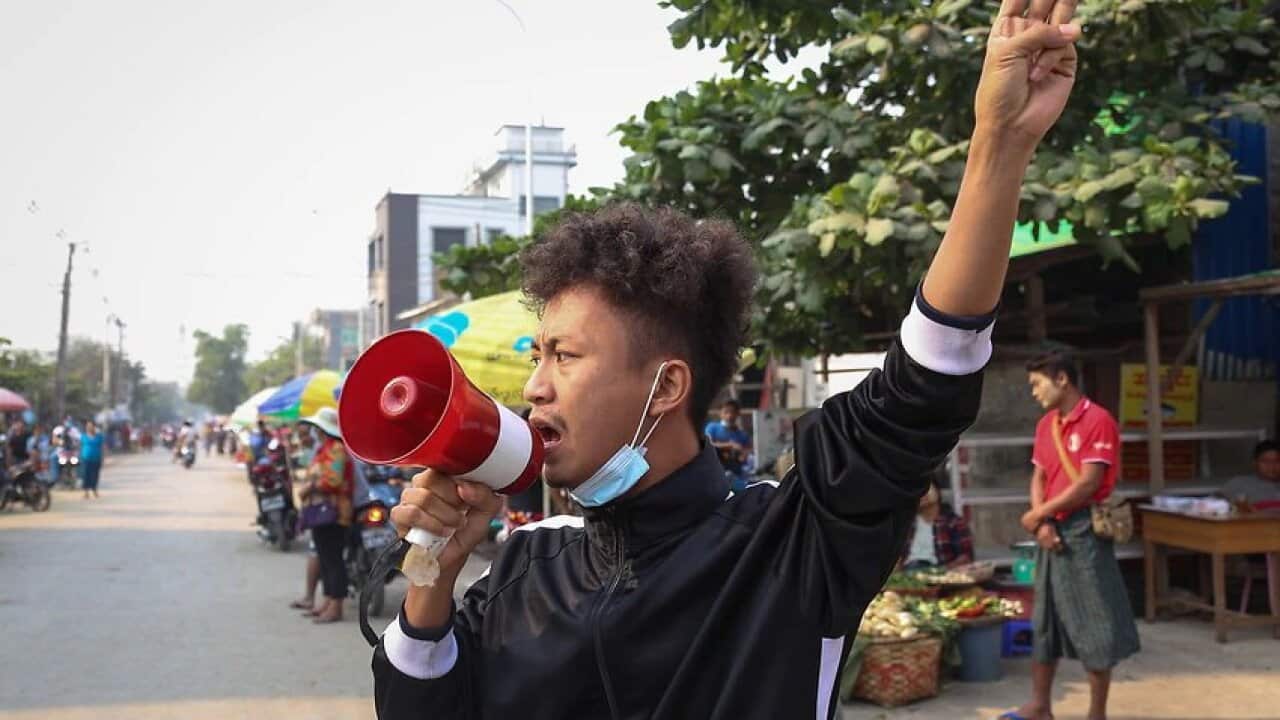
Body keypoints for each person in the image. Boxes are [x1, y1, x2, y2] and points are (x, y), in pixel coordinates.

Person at [375, 3, 1083, 716]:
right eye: (538, 355)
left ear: (666, 386)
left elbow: (923, 385)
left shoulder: (790, 546)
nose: (535, 387)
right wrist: (436, 567)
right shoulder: (527, 566)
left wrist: (1000, 142)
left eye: (564, 356)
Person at [1004, 352, 1140, 720]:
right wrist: (1042, 523)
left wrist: (1038, 514)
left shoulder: (1098, 420)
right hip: (1051, 530)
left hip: (1085, 531)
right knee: (1044, 621)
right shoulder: (1045, 425)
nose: (1034, 392)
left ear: (1062, 379)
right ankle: (1040, 705)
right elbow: (1039, 477)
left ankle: (1097, 714)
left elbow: (1088, 484)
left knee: (1095, 623)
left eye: (1037, 384)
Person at [296, 407, 354, 624]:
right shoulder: (325, 449)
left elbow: (333, 480)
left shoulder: (336, 449)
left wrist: (310, 487)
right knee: (325, 558)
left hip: (335, 513)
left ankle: (336, 606)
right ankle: (328, 601)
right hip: (322, 513)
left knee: (333, 560)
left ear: (322, 429)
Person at [901, 482, 974, 569]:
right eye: (917, 490)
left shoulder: (953, 522)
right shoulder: (906, 523)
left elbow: (966, 556)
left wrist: (943, 571)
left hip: (941, 571)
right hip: (907, 571)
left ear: (937, 491)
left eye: (927, 488)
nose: (922, 493)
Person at [705, 399, 752, 492]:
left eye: (733, 412)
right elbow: (707, 444)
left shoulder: (742, 434)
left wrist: (744, 455)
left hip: (736, 474)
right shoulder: (712, 428)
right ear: (720, 413)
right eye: (726, 412)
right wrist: (729, 445)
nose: (730, 415)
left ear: (738, 414)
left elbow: (748, 450)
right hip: (715, 473)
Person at [1220, 440, 1280, 505]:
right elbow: (1216, 503)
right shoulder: (1238, 484)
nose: (1271, 466)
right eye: (1265, 461)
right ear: (1255, 463)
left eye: (1277, 461)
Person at [80, 420, 105, 499]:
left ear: (94, 427)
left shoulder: (99, 437)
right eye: (88, 426)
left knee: (95, 475)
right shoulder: (83, 436)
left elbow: (102, 448)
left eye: (91, 426)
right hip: (86, 459)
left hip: (96, 459)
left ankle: (94, 490)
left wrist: (103, 458)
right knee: (86, 475)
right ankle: (86, 492)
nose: (89, 428)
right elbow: (80, 446)